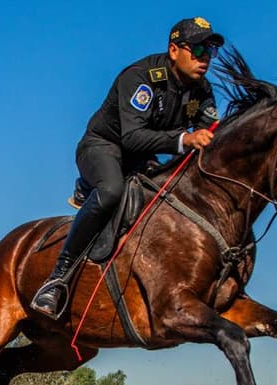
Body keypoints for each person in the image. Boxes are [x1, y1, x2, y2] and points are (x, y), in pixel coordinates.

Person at [31, 17, 225, 319]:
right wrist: (185, 138)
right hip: (104, 147)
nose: (204, 58)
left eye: (210, 52)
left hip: (144, 157)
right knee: (110, 191)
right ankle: (57, 279)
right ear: (174, 50)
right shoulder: (142, 77)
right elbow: (132, 136)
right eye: (197, 48)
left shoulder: (202, 91)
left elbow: (208, 135)